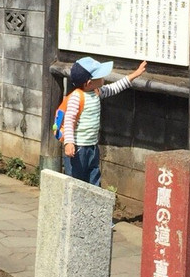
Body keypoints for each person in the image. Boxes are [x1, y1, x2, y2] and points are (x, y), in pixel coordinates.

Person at [62, 56, 147, 185]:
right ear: (88, 82)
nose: (103, 78)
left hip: (92, 146)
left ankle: (93, 202)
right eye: (100, 76)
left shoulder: (96, 92)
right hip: (78, 149)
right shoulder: (76, 97)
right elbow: (69, 120)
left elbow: (114, 87)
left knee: (94, 176)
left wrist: (134, 75)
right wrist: (69, 142)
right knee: (74, 182)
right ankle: (73, 204)